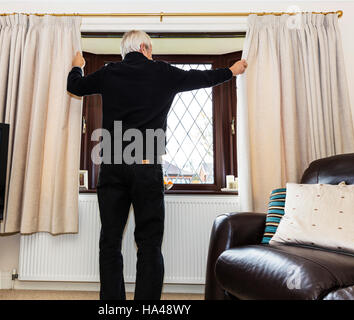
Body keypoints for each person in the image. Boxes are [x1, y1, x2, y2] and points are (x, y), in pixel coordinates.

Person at [67, 30, 247, 300]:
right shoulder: (163, 72)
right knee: (149, 244)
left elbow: (76, 88)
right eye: (151, 49)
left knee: (110, 241)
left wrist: (77, 67)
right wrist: (231, 71)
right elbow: (203, 78)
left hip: (113, 166)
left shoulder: (109, 72)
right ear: (144, 47)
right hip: (145, 166)